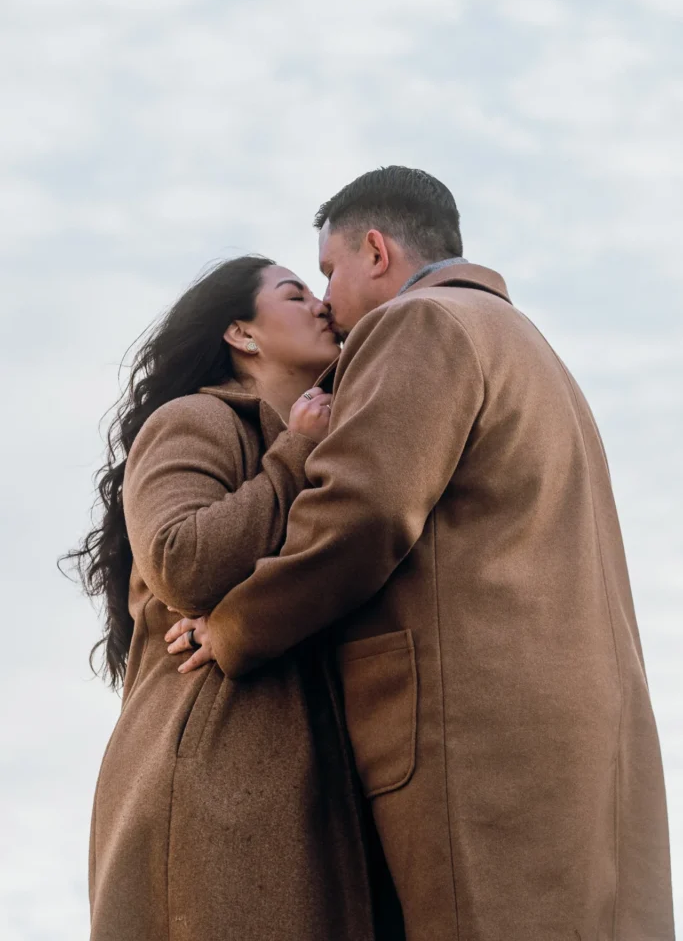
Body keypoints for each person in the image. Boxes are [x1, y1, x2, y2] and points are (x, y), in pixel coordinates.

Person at [174, 168, 675, 941]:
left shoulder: (419, 324)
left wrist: (233, 626)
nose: (327, 302)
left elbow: (364, 512)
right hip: (583, 746)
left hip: (472, 744)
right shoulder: (528, 347)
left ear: (374, 250)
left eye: (328, 272)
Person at [65, 255, 383, 941]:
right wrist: (293, 454)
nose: (321, 305)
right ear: (242, 333)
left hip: (297, 779)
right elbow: (182, 562)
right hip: (214, 768)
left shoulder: (334, 444)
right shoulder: (197, 420)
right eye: (295, 294)